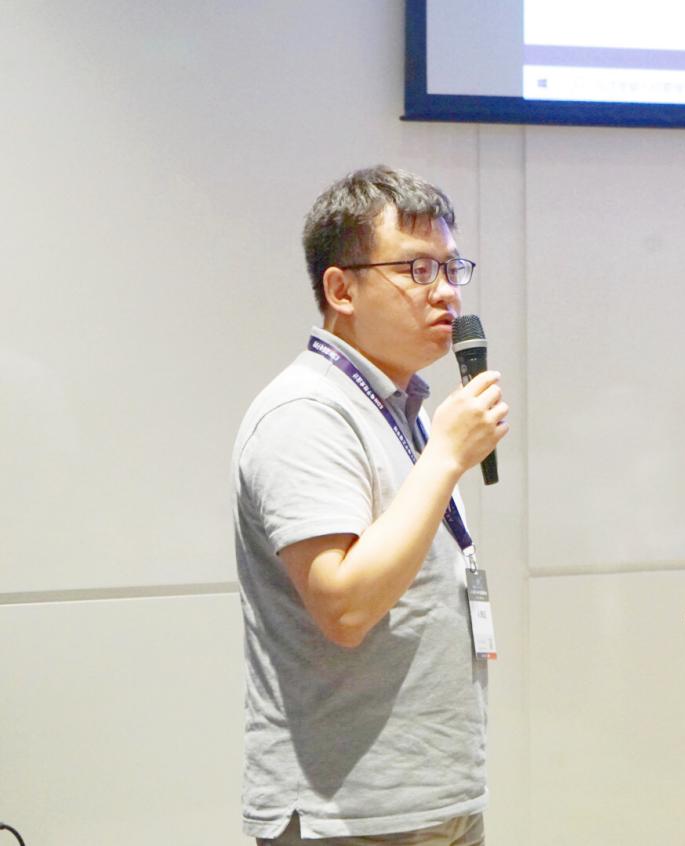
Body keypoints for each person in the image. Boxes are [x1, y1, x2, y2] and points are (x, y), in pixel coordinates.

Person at [232, 165, 508, 845]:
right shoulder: (306, 412)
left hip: (433, 797)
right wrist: (446, 457)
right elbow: (345, 608)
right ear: (340, 289)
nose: (446, 292)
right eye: (417, 269)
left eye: (451, 267)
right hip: (351, 814)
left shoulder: (399, 407)